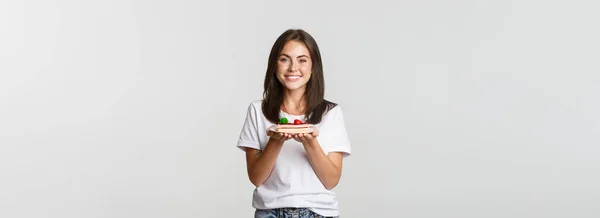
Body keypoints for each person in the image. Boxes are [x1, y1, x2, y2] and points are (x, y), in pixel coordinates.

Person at [236, 29, 352, 218]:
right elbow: (256, 178)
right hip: (269, 213)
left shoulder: (331, 113)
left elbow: (331, 180)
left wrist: (309, 142)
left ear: (313, 66)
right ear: (274, 64)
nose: (293, 68)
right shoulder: (257, 111)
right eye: (284, 59)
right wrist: (276, 141)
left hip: (319, 213)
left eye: (302, 60)